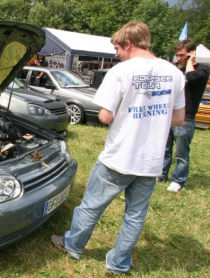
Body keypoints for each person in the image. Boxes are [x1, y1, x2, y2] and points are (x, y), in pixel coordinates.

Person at [51, 21, 186, 275]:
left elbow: (104, 116)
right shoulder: (175, 73)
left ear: (128, 44)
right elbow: (178, 119)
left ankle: (72, 245)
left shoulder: (121, 72)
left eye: (116, 48)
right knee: (135, 215)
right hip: (151, 160)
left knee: (91, 205)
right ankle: (118, 263)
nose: (115, 54)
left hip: (119, 157)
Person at [160, 39, 210, 193]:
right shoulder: (175, 69)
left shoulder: (203, 69)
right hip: (168, 114)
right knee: (164, 149)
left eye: (182, 55)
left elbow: (192, 78)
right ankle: (161, 174)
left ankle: (178, 180)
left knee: (181, 153)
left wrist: (191, 62)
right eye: (177, 55)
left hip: (186, 117)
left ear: (192, 53)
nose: (179, 58)